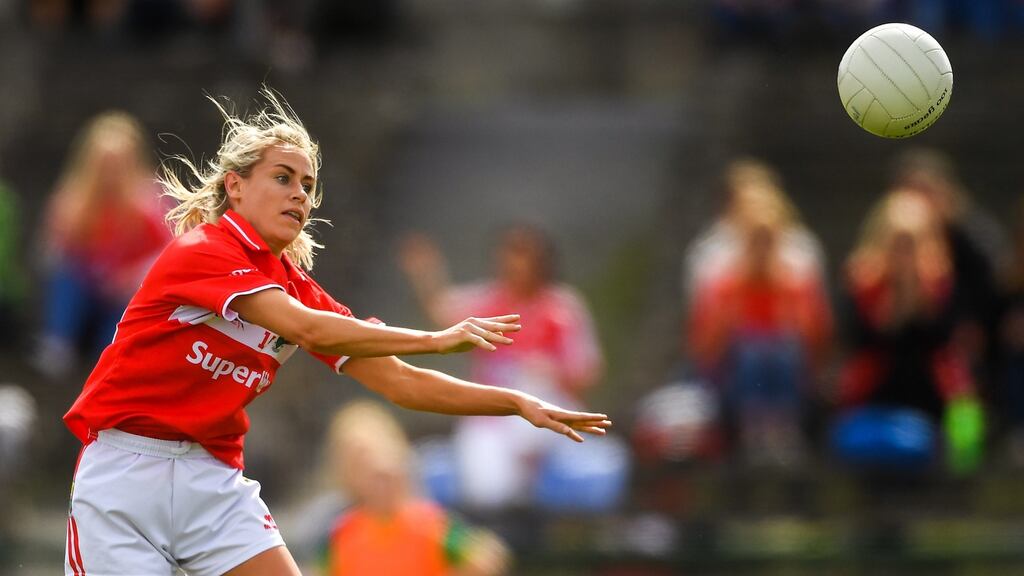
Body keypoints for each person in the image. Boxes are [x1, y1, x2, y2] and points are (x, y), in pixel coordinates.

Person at [62, 89, 611, 576]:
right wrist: (436, 338)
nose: (299, 194)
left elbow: (403, 385)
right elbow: (307, 330)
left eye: (307, 185)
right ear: (235, 186)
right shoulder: (201, 251)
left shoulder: (297, 288)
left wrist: (514, 402)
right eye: (282, 178)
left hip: (210, 478)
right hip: (127, 475)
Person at [399, 225, 605, 509]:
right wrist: (425, 272)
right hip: (491, 418)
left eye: (524, 254)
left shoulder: (562, 309)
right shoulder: (489, 302)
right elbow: (442, 312)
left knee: (533, 405)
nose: (516, 263)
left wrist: (551, 371)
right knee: (487, 490)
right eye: (510, 253)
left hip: (546, 413)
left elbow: (587, 372)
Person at [686, 172, 832, 466]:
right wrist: (731, 318)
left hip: (789, 374)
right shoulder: (726, 284)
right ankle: (754, 433)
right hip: (731, 378)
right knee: (753, 352)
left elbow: (818, 340)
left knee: (782, 351)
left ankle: (784, 431)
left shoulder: (795, 284)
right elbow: (703, 349)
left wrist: (790, 317)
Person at [836, 189, 983, 473]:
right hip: (877, 391)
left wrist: (920, 300)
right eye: (897, 244)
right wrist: (892, 307)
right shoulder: (862, 285)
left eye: (910, 244)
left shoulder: (941, 285)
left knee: (965, 404)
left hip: (928, 391)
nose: (904, 253)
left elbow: (942, 340)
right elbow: (861, 341)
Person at [36, 111, 171, 377]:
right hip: (87, 287)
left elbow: (171, 253)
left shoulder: (149, 202)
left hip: (124, 292)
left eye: (118, 165)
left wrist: (130, 276)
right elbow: (50, 254)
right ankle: (58, 343)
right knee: (66, 280)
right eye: (104, 165)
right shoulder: (74, 200)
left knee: (129, 303)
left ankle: (112, 351)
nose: (110, 173)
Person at [319, 399, 508, 576]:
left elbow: (485, 556)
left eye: (386, 476)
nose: (380, 485)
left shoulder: (430, 525)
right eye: (362, 467)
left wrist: (475, 560)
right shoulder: (342, 536)